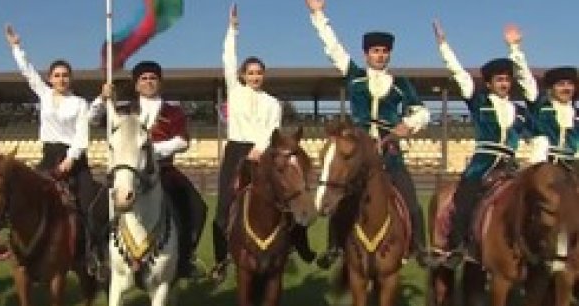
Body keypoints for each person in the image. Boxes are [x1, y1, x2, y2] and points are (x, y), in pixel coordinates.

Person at [305, 0, 431, 268]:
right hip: (359, 151)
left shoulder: (401, 84)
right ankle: (334, 247)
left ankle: (420, 247)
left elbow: (422, 111)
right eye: (375, 51)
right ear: (366, 54)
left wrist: (407, 125)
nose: (380, 55)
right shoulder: (355, 76)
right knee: (341, 196)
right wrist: (318, 15)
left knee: (410, 198)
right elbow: (333, 48)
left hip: (389, 151)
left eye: (385, 51)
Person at [210, 4, 314, 286]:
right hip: (236, 152)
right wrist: (232, 29)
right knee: (223, 208)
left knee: (287, 199)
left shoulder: (273, 103)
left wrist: (259, 148)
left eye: (259, 73)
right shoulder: (235, 90)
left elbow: (273, 131)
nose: (255, 76)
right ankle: (221, 261)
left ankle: (299, 244)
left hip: (264, 152)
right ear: (243, 75)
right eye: (251, 72)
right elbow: (228, 58)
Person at [4, 24, 107, 279]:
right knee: (22, 198)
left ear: (71, 79)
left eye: (65, 75)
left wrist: (70, 161)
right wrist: (17, 47)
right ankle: (20, 247)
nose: (61, 79)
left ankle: (92, 253)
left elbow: (82, 137)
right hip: (48, 155)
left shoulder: (80, 104)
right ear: (50, 78)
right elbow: (27, 72)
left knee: (90, 204)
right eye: (57, 75)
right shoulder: (44, 94)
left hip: (75, 160)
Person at [91, 61, 207, 279]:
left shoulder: (173, 111)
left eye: (153, 78)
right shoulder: (123, 109)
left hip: (164, 171)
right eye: (143, 78)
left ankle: (184, 258)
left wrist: (153, 151)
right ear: (136, 84)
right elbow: (93, 119)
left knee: (197, 208)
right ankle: (100, 258)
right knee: (96, 209)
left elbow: (183, 140)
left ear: (159, 82)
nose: (148, 82)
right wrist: (102, 98)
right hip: (127, 172)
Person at [433, 21, 531, 268]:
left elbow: (532, 95)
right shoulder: (479, 102)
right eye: (499, 80)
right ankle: (457, 247)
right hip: (482, 163)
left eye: (507, 80)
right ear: (489, 83)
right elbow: (460, 74)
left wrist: (515, 49)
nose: (504, 84)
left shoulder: (520, 112)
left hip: (509, 164)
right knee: (465, 199)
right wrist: (444, 46)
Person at [506, 27, 578, 166]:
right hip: (542, 166)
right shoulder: (539, 105)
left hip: (572, 168)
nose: (566, 88)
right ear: (551, 89)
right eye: (561, 84)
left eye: (570, 84)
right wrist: (515, 48)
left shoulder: (577, 114)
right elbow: (525, 77)